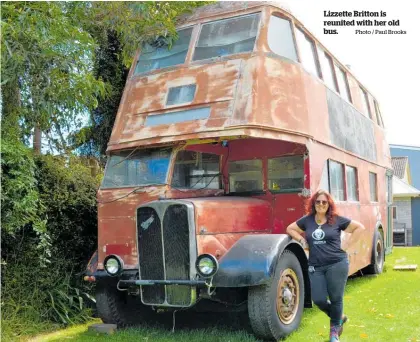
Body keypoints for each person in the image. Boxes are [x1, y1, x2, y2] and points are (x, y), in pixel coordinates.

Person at [286, 189, 365, 342]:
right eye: (318, 202)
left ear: (329, 204)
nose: (321, 204)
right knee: (318, 299)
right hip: (316, 266)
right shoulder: (307, 220)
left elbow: (359, 228)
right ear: (313, 203)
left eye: (324, 202)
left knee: (336, 298)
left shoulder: (336, 220)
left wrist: (347, 245)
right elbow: (290, 228)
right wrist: (302, 241)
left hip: (337, 263)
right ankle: (339, 316)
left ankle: (334, 332)